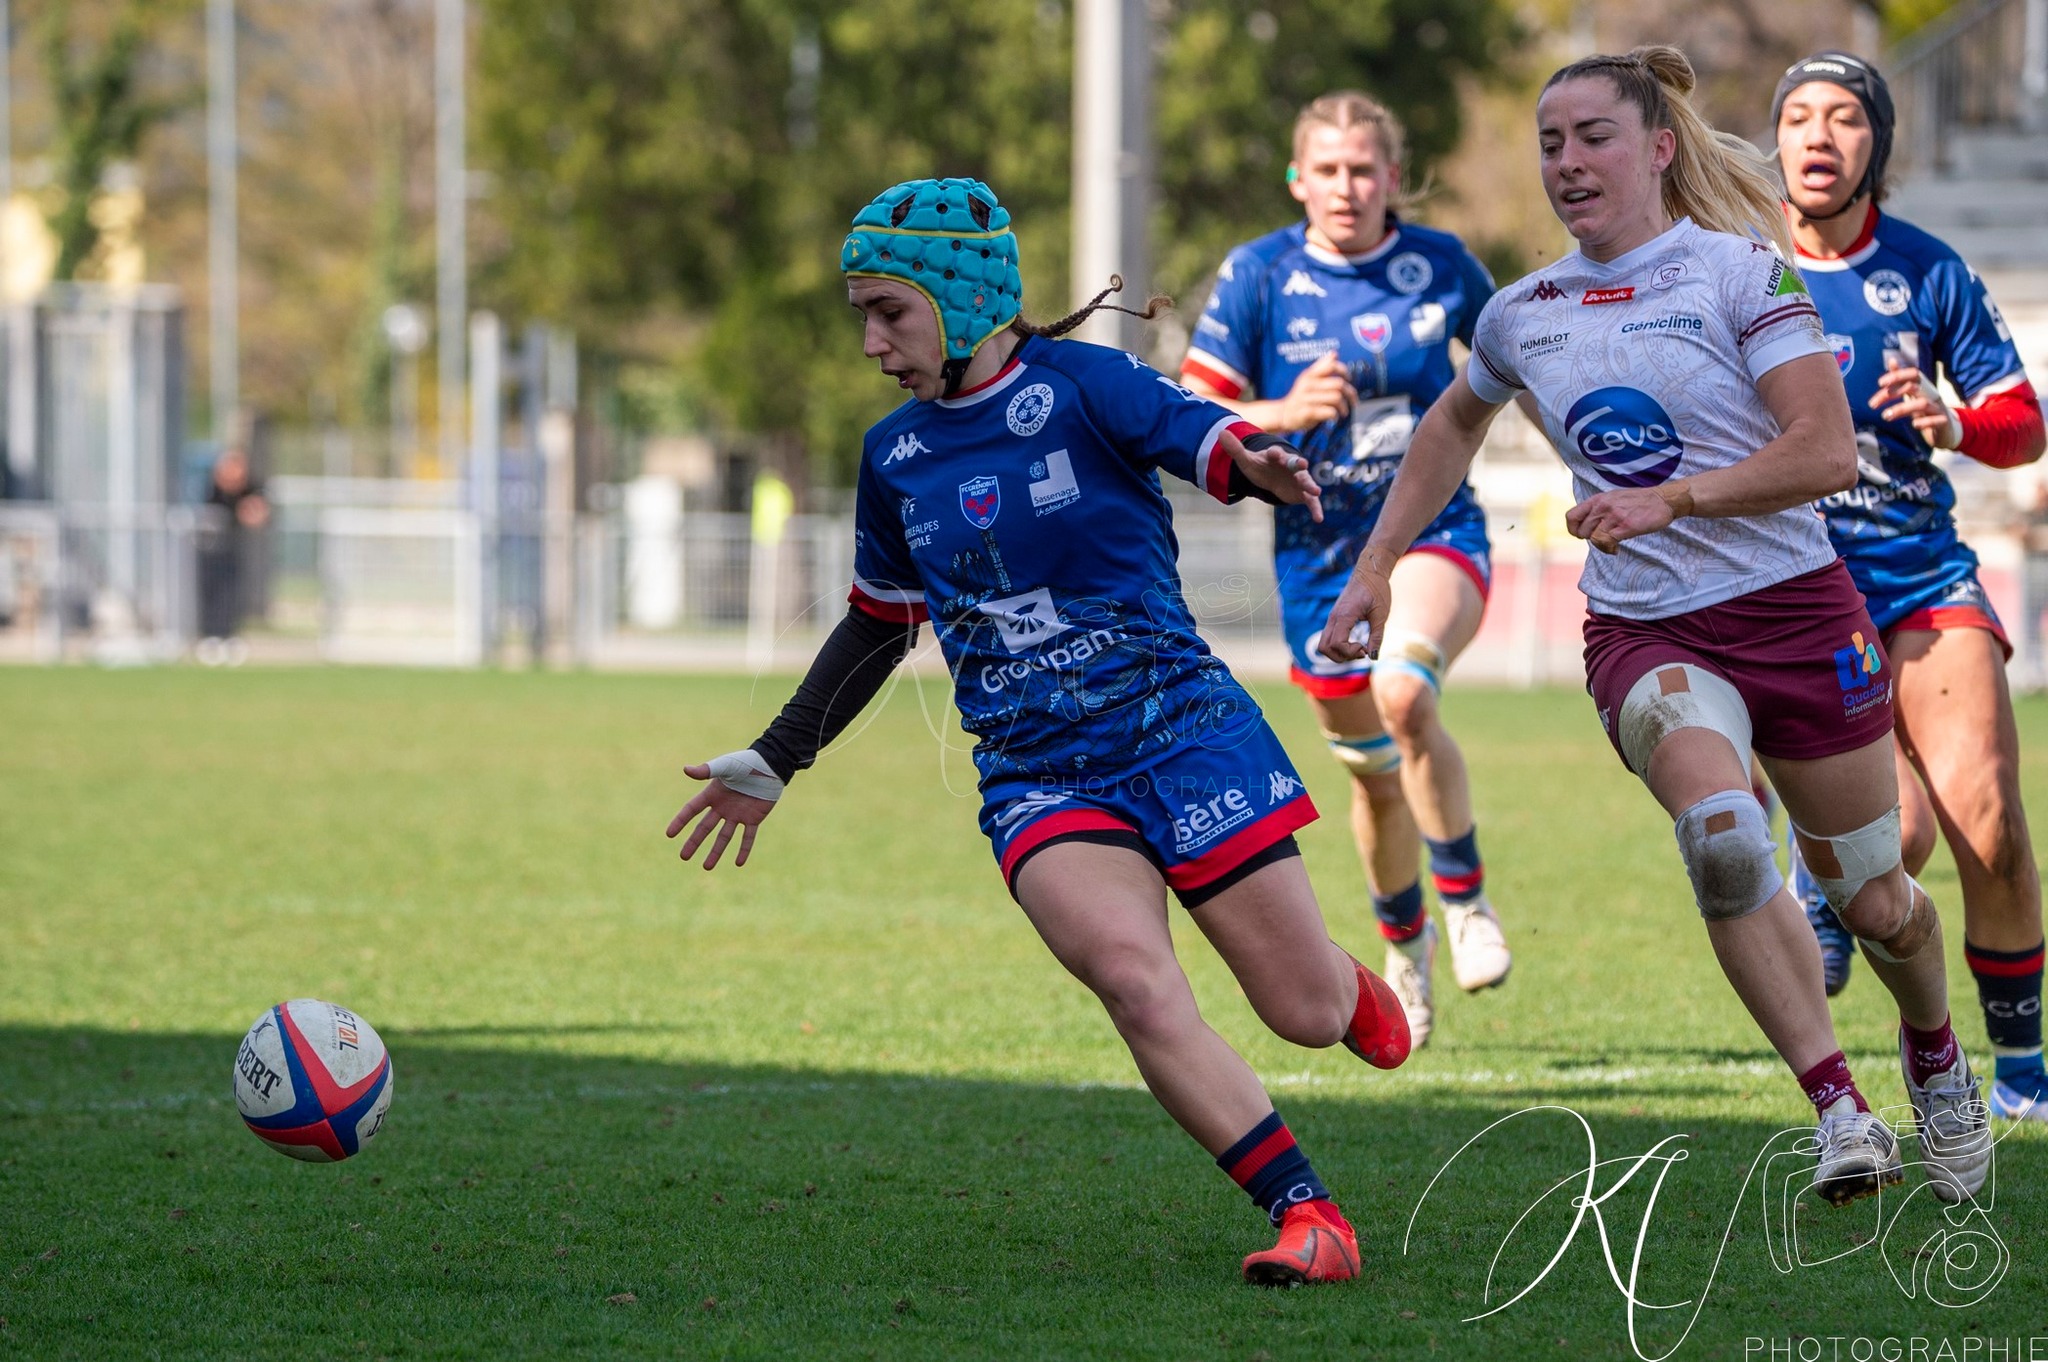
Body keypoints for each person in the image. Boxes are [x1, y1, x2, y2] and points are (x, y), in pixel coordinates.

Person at [668, 178, 1413, 1286]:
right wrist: (777, 754)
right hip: (1036, 778)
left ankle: (1339, 986)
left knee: (1299, 1013)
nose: (871, 342)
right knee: (1131, 976)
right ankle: (1308, 1214)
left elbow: (1192, 431)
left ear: (962, 303)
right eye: (862, 316)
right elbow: (878, 624)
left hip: (1181, 732)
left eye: (890, 312)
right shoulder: (896, 458)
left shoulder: (1079, 383)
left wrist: (1250, 461)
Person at [1319, 47, 1991, 1206]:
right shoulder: (1522, 312)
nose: (1566, 162)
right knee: (1724, 842)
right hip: (1648, 631)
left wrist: (1667, 497)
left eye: (1592, 137)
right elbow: (1444, 430)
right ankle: (1836, 1108)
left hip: (1794, 612)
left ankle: (1933, 1050)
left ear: (1658, 147)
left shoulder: (1740, 273)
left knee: (1875, 900)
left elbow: (1822, 451)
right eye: (1548, 143)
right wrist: (1373, 567)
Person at [1179, 92, 1510, 1049]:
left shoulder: (1442, 267)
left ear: (1393, 178)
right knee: (1369, 778)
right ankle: (1406, 952)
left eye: (1364, 169)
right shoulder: (1259, 273)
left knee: (1407, 694)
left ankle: (1469, 900)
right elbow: (1191, 404)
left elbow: (1526, 369)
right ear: (1298, 180)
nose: (1347, 187)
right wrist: (1279, 412)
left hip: (1432, 533)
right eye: (1327, 170)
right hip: (1316, 554)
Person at [1770, 51, 2048, 1123]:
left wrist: (1949, 422)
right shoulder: (1736, 270)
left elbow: (2020, 422)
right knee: (1901, 837)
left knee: (1985, 817)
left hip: (1921, 572)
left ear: (1873, 143)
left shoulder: (1925, 270)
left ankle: (2021, 1069)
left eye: (1842, 117)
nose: (1817, 136)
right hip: (1799, 590)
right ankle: (1827, 882)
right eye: (1797, 117)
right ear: (1777, 141)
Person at [198, 446, 269, 664]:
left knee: (231, 593)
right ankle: (211, 636)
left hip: (233, 550)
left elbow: (259, 511)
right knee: (211, 591)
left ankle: (229, 636)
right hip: (210, 551)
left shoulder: (251, 487)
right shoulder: (212, 489)